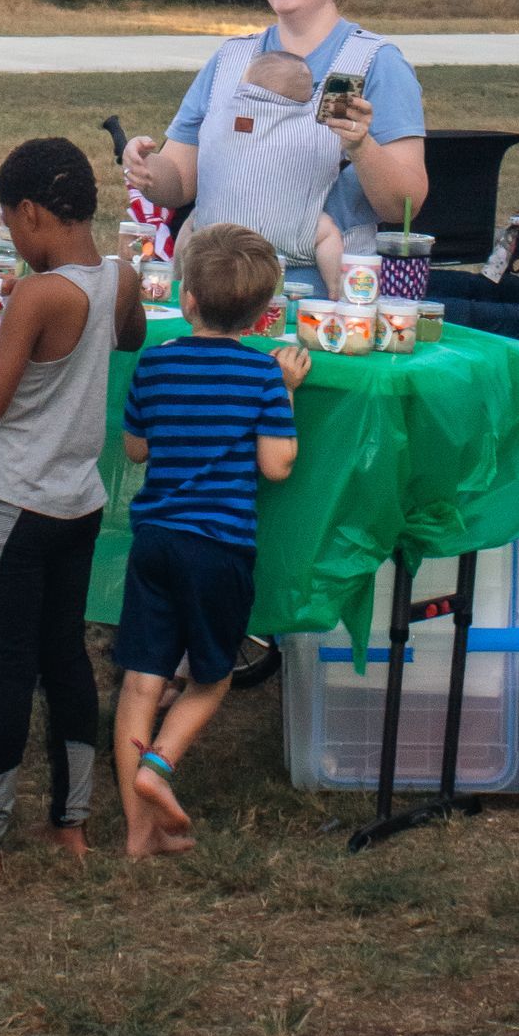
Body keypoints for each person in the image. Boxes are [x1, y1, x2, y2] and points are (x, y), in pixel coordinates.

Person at [0, 137, 146, 880]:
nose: (14, 243)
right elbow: (129, 337)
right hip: (77, 503)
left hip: (13, 502)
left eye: (11, 227)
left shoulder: (36, 295)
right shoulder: (118, 279)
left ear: (31, 214)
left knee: (6, 666)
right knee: (65, 656)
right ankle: (72, 820)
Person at [124, 0, 429, 300]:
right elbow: (178, 184)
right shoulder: (231, 59)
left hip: (316, 306)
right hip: (212, 298)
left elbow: (405, 206)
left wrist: (361, 146)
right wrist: (147, 171)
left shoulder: (367, 64)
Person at [112, 223, 308, 856]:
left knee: (141, 684)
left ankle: (139, 839)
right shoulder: (259, 379)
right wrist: (285, 393)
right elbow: (277, 465)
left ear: (187, 298)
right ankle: (159, 765)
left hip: (155, 541)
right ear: (261, 315)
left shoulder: (157, 361)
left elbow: (136, 448)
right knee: (210, 679)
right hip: (218, 549)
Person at [171, 50, 346, 294]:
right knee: (327, 232)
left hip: (218, 231)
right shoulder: (319, 128)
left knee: (192, 224)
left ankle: (178, 280)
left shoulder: (219, 114)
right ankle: (336, 290)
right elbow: (343, 134)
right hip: (289, 234)